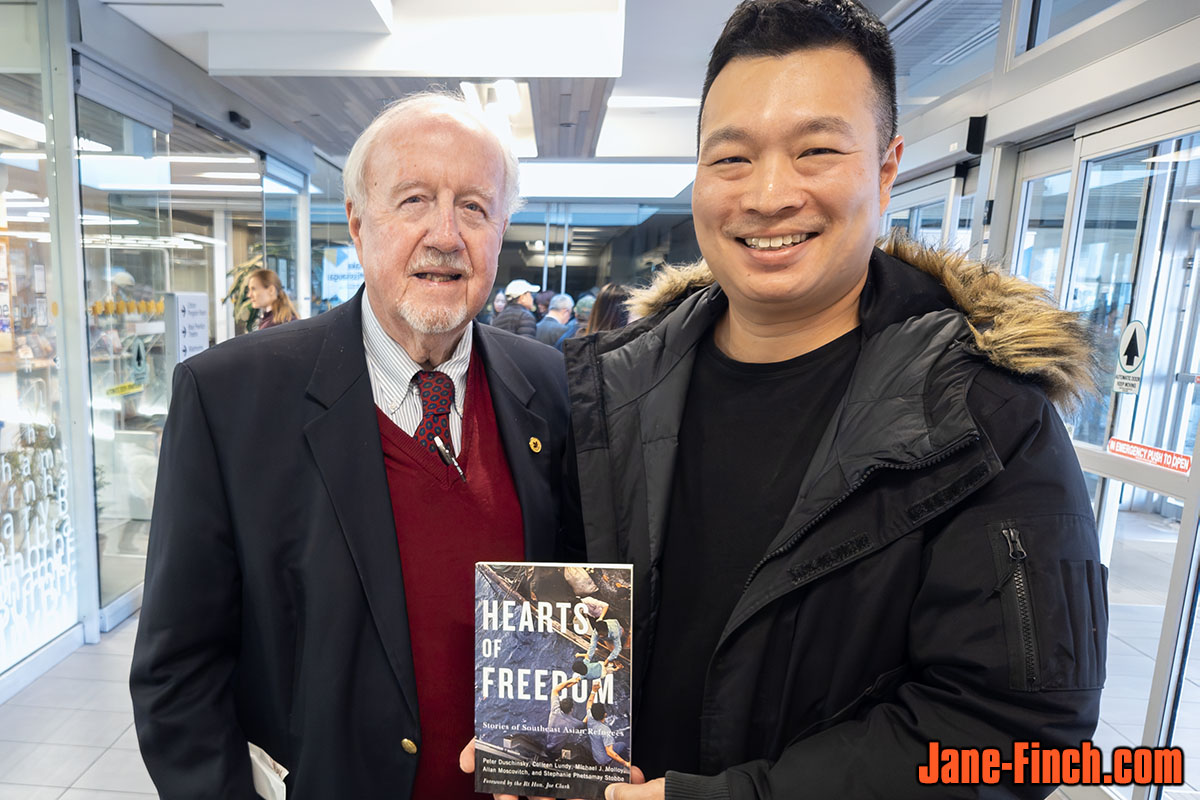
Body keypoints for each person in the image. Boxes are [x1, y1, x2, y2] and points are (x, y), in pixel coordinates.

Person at [565, 2, 1106, 798]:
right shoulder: (606, 388)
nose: (769, 195)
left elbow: (1019, 732)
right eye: (732, 159)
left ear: (885, 168)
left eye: (816, 150)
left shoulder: (983, 418)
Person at [130, 91, 582, 800]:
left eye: (474, 206)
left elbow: (575, 609)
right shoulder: (230, 398)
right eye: (413, 201)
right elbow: (178, 672)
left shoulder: (554, 388)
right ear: (357, 224)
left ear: (501, 230)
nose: (446, 234)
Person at [585, 682, 632, 771]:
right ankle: (627, 760)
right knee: (622, 745)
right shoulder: (605, 730)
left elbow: (589, 703)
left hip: (596, 756)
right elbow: (610, 752)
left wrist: (594, 691)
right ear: (605, 714)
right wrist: (626, 764)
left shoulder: (590, 718)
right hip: (605, 759)